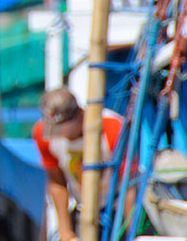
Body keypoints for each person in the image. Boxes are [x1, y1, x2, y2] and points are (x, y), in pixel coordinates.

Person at [32, 87, 134, 241]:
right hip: (83, 209)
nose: (60, 136)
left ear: (79, 116)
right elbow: (56, 182)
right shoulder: (42, 134)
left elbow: (130, 186)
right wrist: (65, 231)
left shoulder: (112, 128)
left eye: (62, 130)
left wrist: (130, 233)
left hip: (118, 207)